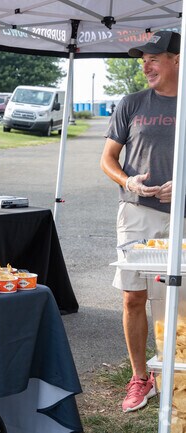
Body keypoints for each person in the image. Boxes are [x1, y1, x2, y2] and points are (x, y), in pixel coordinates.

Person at [100, 30, 182, 413]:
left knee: (178, 300)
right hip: (136, 212)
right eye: (142, 59)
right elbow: (107, 160)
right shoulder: (131, 103)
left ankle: (176, 374)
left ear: (177, 60)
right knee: (134, 297)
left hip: (181, 215)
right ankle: (139, 378)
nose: (146, 65)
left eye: (154, 57)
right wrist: (127, 180)